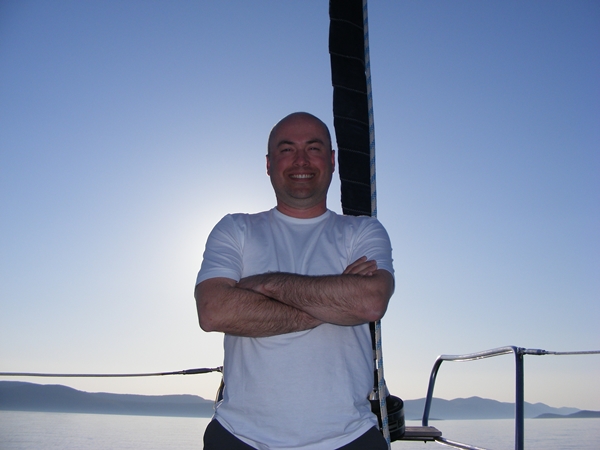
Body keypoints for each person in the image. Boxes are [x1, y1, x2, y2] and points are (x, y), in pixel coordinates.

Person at [195, 112, 394, 449]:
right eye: (287, 150)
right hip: (239, 438)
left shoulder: (363, 231)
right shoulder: (234, 229)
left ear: (332, 161)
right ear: (269, 164)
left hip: (349, 438)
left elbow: (370, 302)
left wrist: (265, 285)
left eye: (314, 148)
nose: (301, 160)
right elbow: (213, 311)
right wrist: (335, 301)